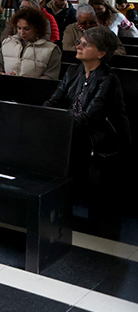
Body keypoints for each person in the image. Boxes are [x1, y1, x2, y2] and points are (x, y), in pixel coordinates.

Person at [43, 27, 131, 220]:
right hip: (72, 129)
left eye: (86, 44)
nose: (79, 46)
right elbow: (54, 100)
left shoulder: (108, 79)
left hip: (98, 138)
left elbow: (89, 116)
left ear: (101, 53)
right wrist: (43, 116)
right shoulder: (73, 71)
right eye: (80, 42)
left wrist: (57, 124)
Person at [0, 8, 62, 79]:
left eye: (26, 29)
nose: (22, 32)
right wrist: (3, 75)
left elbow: (51, 77)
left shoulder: (51, 49)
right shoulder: (8, 43)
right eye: (19, 28)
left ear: (37, 28)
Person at [62, 4, 127, 56]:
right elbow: (67, 48)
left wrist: (103, 54)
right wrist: (90, 51)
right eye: (83, 23)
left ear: (95, 19)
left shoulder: (104, 31)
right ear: (78, 20)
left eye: (92, 22)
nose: (88, 25)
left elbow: (120, 50)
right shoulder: (71, 29)